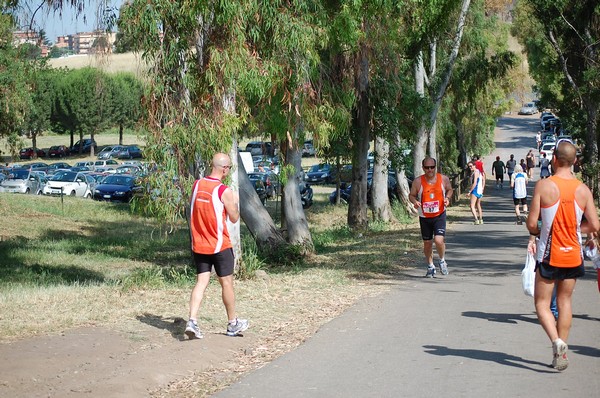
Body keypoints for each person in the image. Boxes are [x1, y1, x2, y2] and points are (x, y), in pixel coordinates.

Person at [526, 140, 599, 371]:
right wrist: (576, 230)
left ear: (554, 159)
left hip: (549, 254)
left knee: (542, 303)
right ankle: (562, 353)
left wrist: (539, 231)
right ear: (575, 161)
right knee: (565, 301)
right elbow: (595, 225)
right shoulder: (583, 189)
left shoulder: (543, 186)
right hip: (573, 255)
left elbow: (531, 223)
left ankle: (556, 342)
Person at [185, 153, 249, 340]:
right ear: (224, 169)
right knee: (226, 283)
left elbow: (194, 208)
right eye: (228, 168)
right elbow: (234, 217)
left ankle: (192, 321)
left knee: (201, 282)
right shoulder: (223, 191)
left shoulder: (197, 185)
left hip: (199, 245)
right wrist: (235, 202)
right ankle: (232, 323)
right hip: (219, 245)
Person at [409, 157, 454, 278]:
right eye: (427, 167)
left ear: (435, 167)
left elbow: (450, 190)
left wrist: (447, 199)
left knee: (439, 240)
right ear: (423, 168)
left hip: (439, 214)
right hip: (424, 216)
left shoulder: (443, 179)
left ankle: (442, 260)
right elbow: (411, 195)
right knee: (427, 243)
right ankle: (430, 266)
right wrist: (415, 202)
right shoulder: (418, 181)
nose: (430, 170)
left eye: (432, 167)